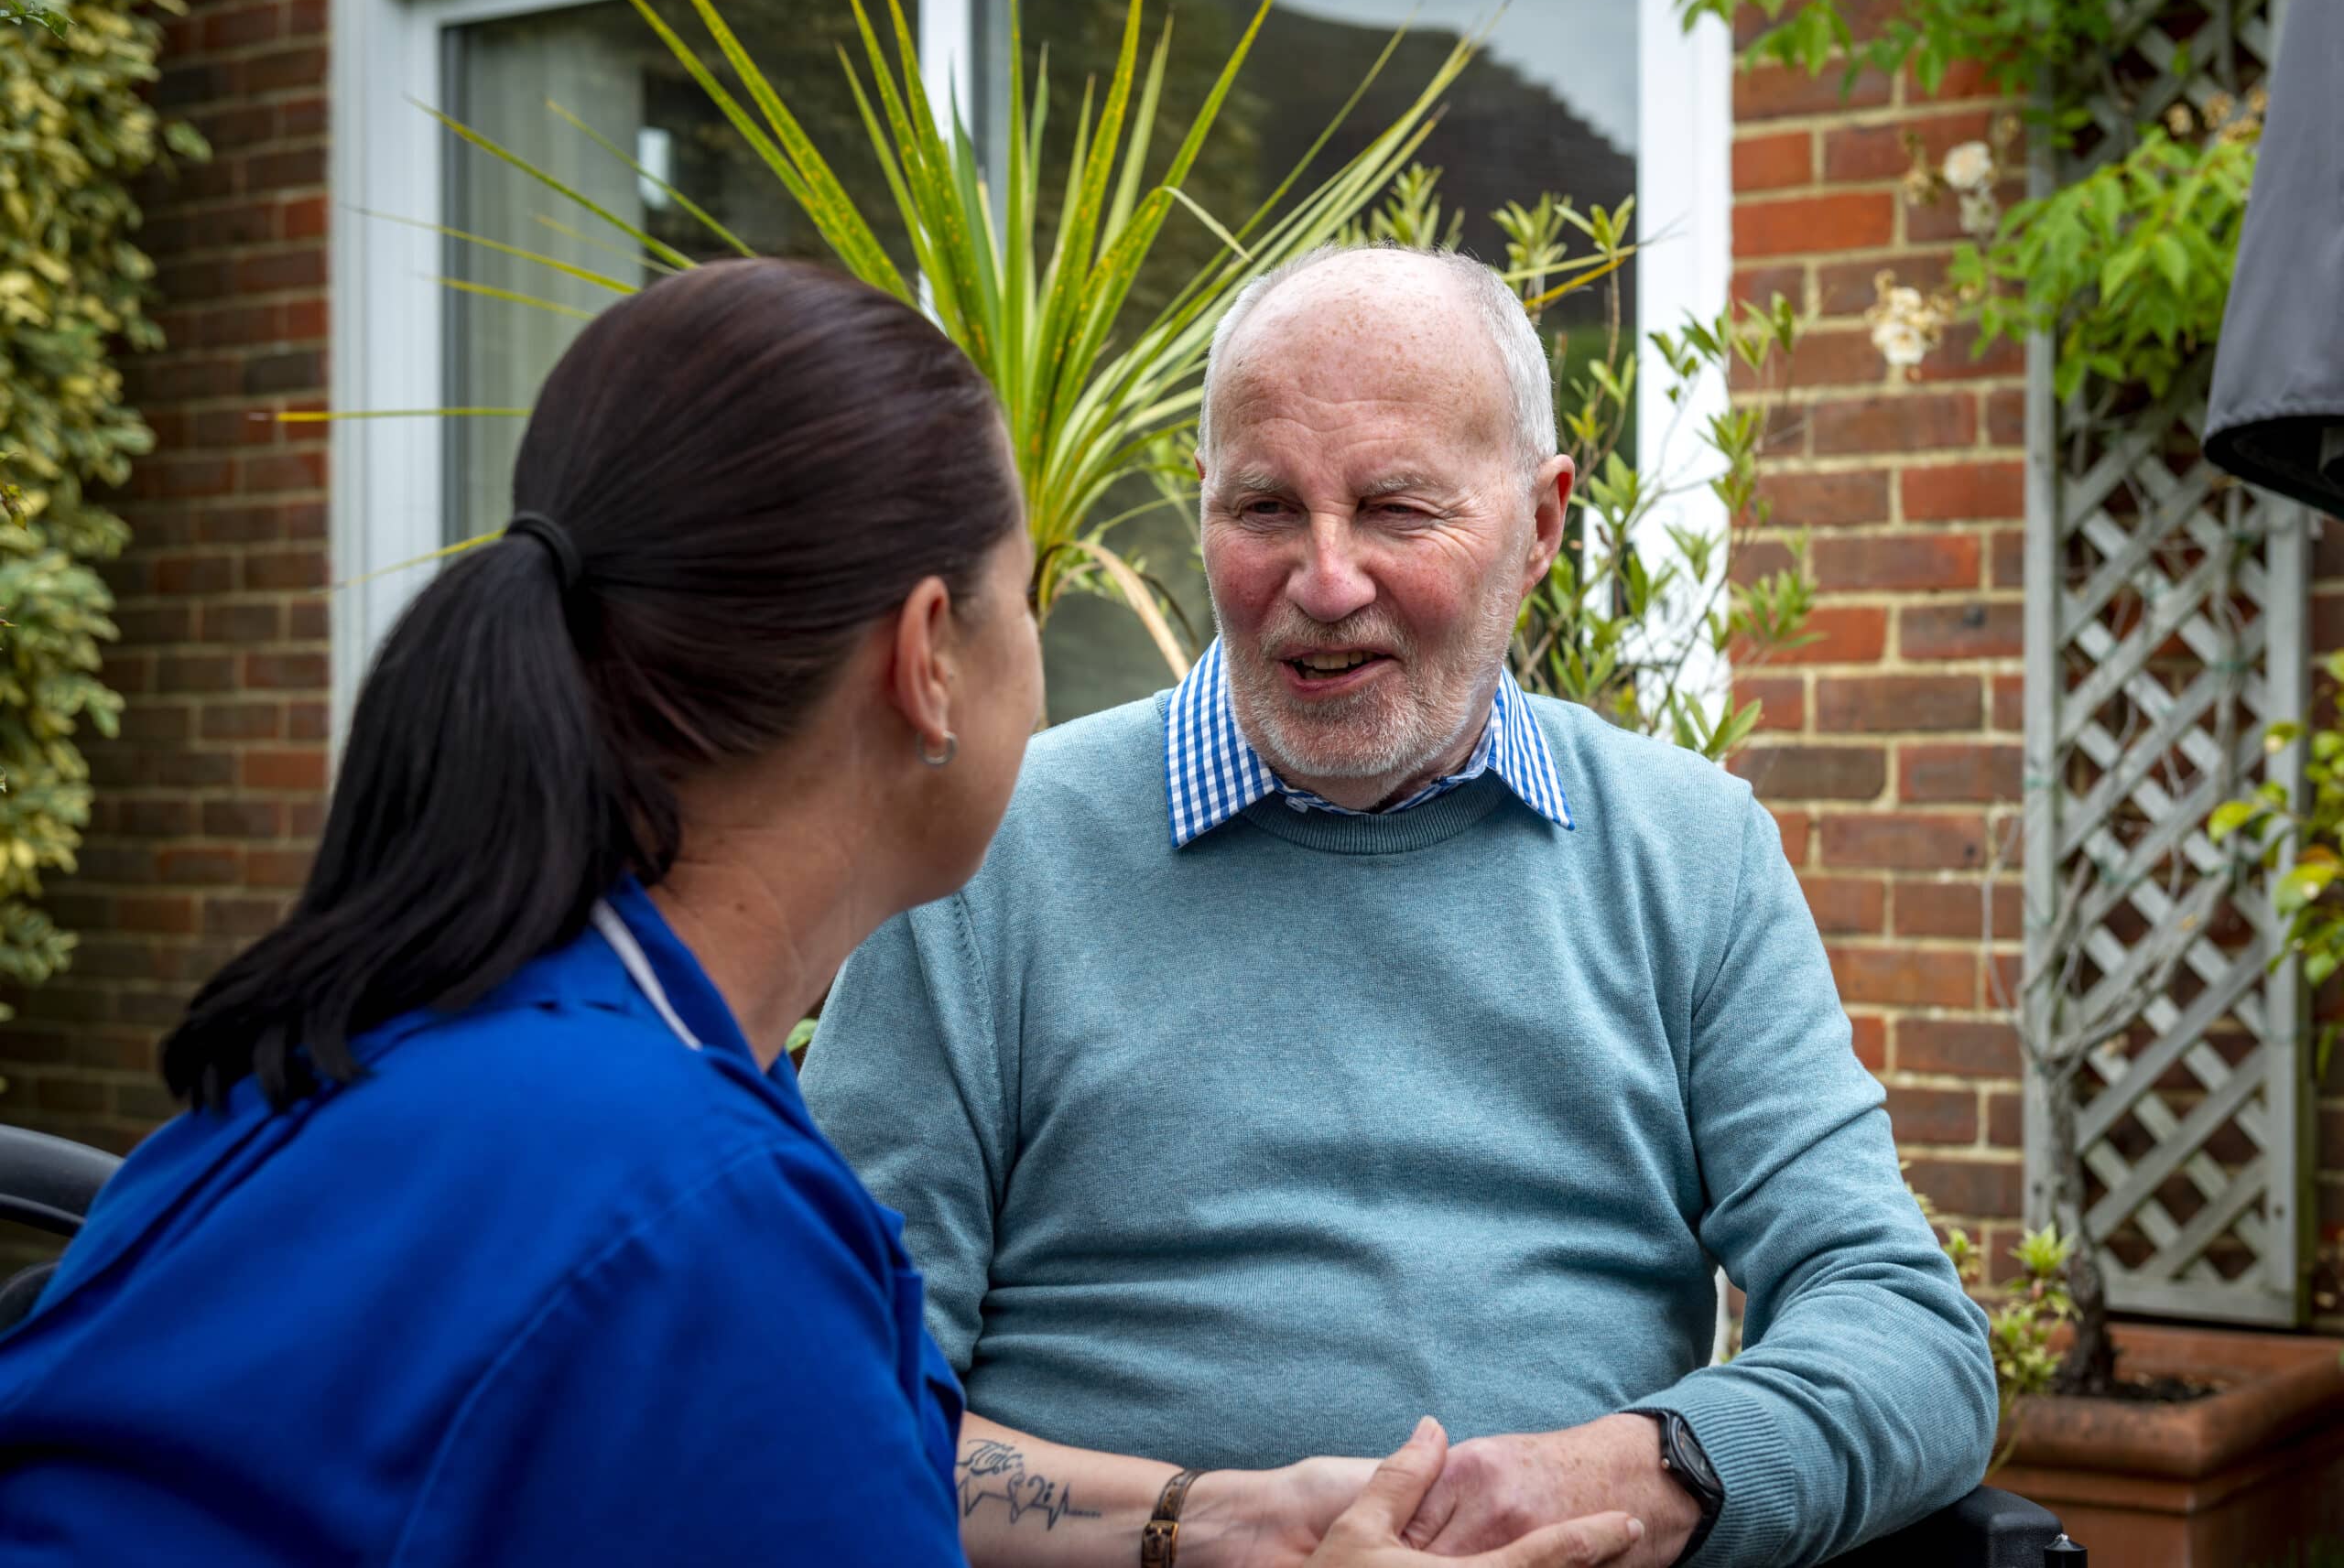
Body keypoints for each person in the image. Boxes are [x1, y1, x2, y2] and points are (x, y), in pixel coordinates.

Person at [0, 259, 1634, 1568]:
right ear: (928, 656)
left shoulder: (406, 1048)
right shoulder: (701, 1225)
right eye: (1024, 600)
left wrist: (1207, 1520)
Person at [801, 244, 2002, 1567]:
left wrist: (1632, 1478)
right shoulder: (987, 854)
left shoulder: (1689, 853)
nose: (1325, 580)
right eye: (1265, 508)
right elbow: (829, 1404)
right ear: (1200, 507)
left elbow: (1910, 1334)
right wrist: (1183, 1528)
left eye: (1396, 510)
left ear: (1543, 526)